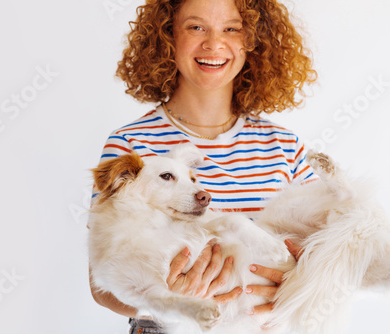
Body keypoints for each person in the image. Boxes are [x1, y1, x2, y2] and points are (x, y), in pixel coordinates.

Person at [89, 0, 318, 332]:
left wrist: (296, 287)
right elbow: (102, 283)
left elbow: (327, 254)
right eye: (196, 27)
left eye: (232, 28)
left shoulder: (284, 145)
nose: (213, 44)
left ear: (253, 40)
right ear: (167, 36)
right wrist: (170, 303)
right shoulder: (130, 144)